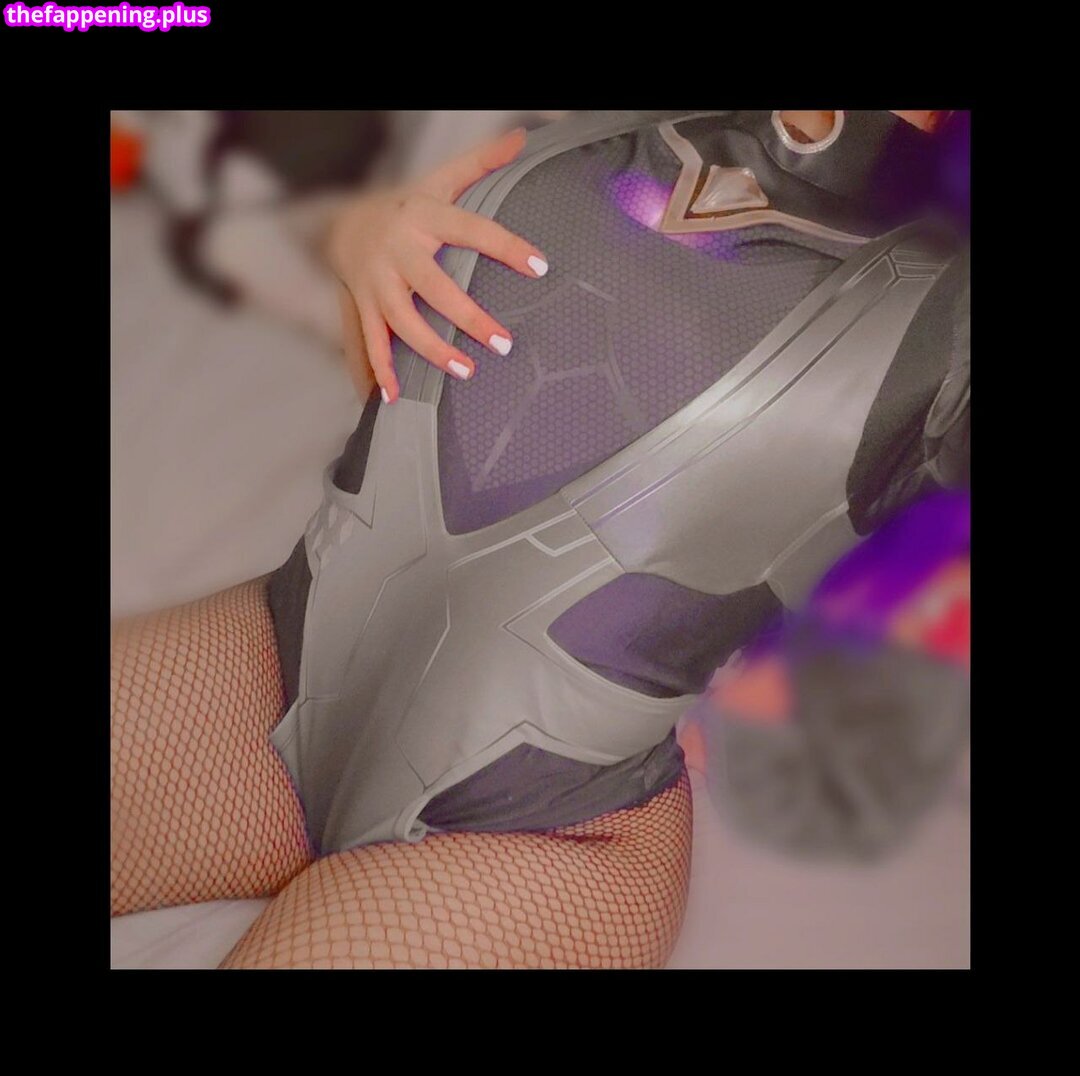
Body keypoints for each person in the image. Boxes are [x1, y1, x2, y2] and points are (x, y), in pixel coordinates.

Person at [111, 109, 968, 969]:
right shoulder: (595, 130)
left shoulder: (952, 307)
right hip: (282, 665)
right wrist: (359, 236)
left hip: (546, 829)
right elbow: (410, 383)